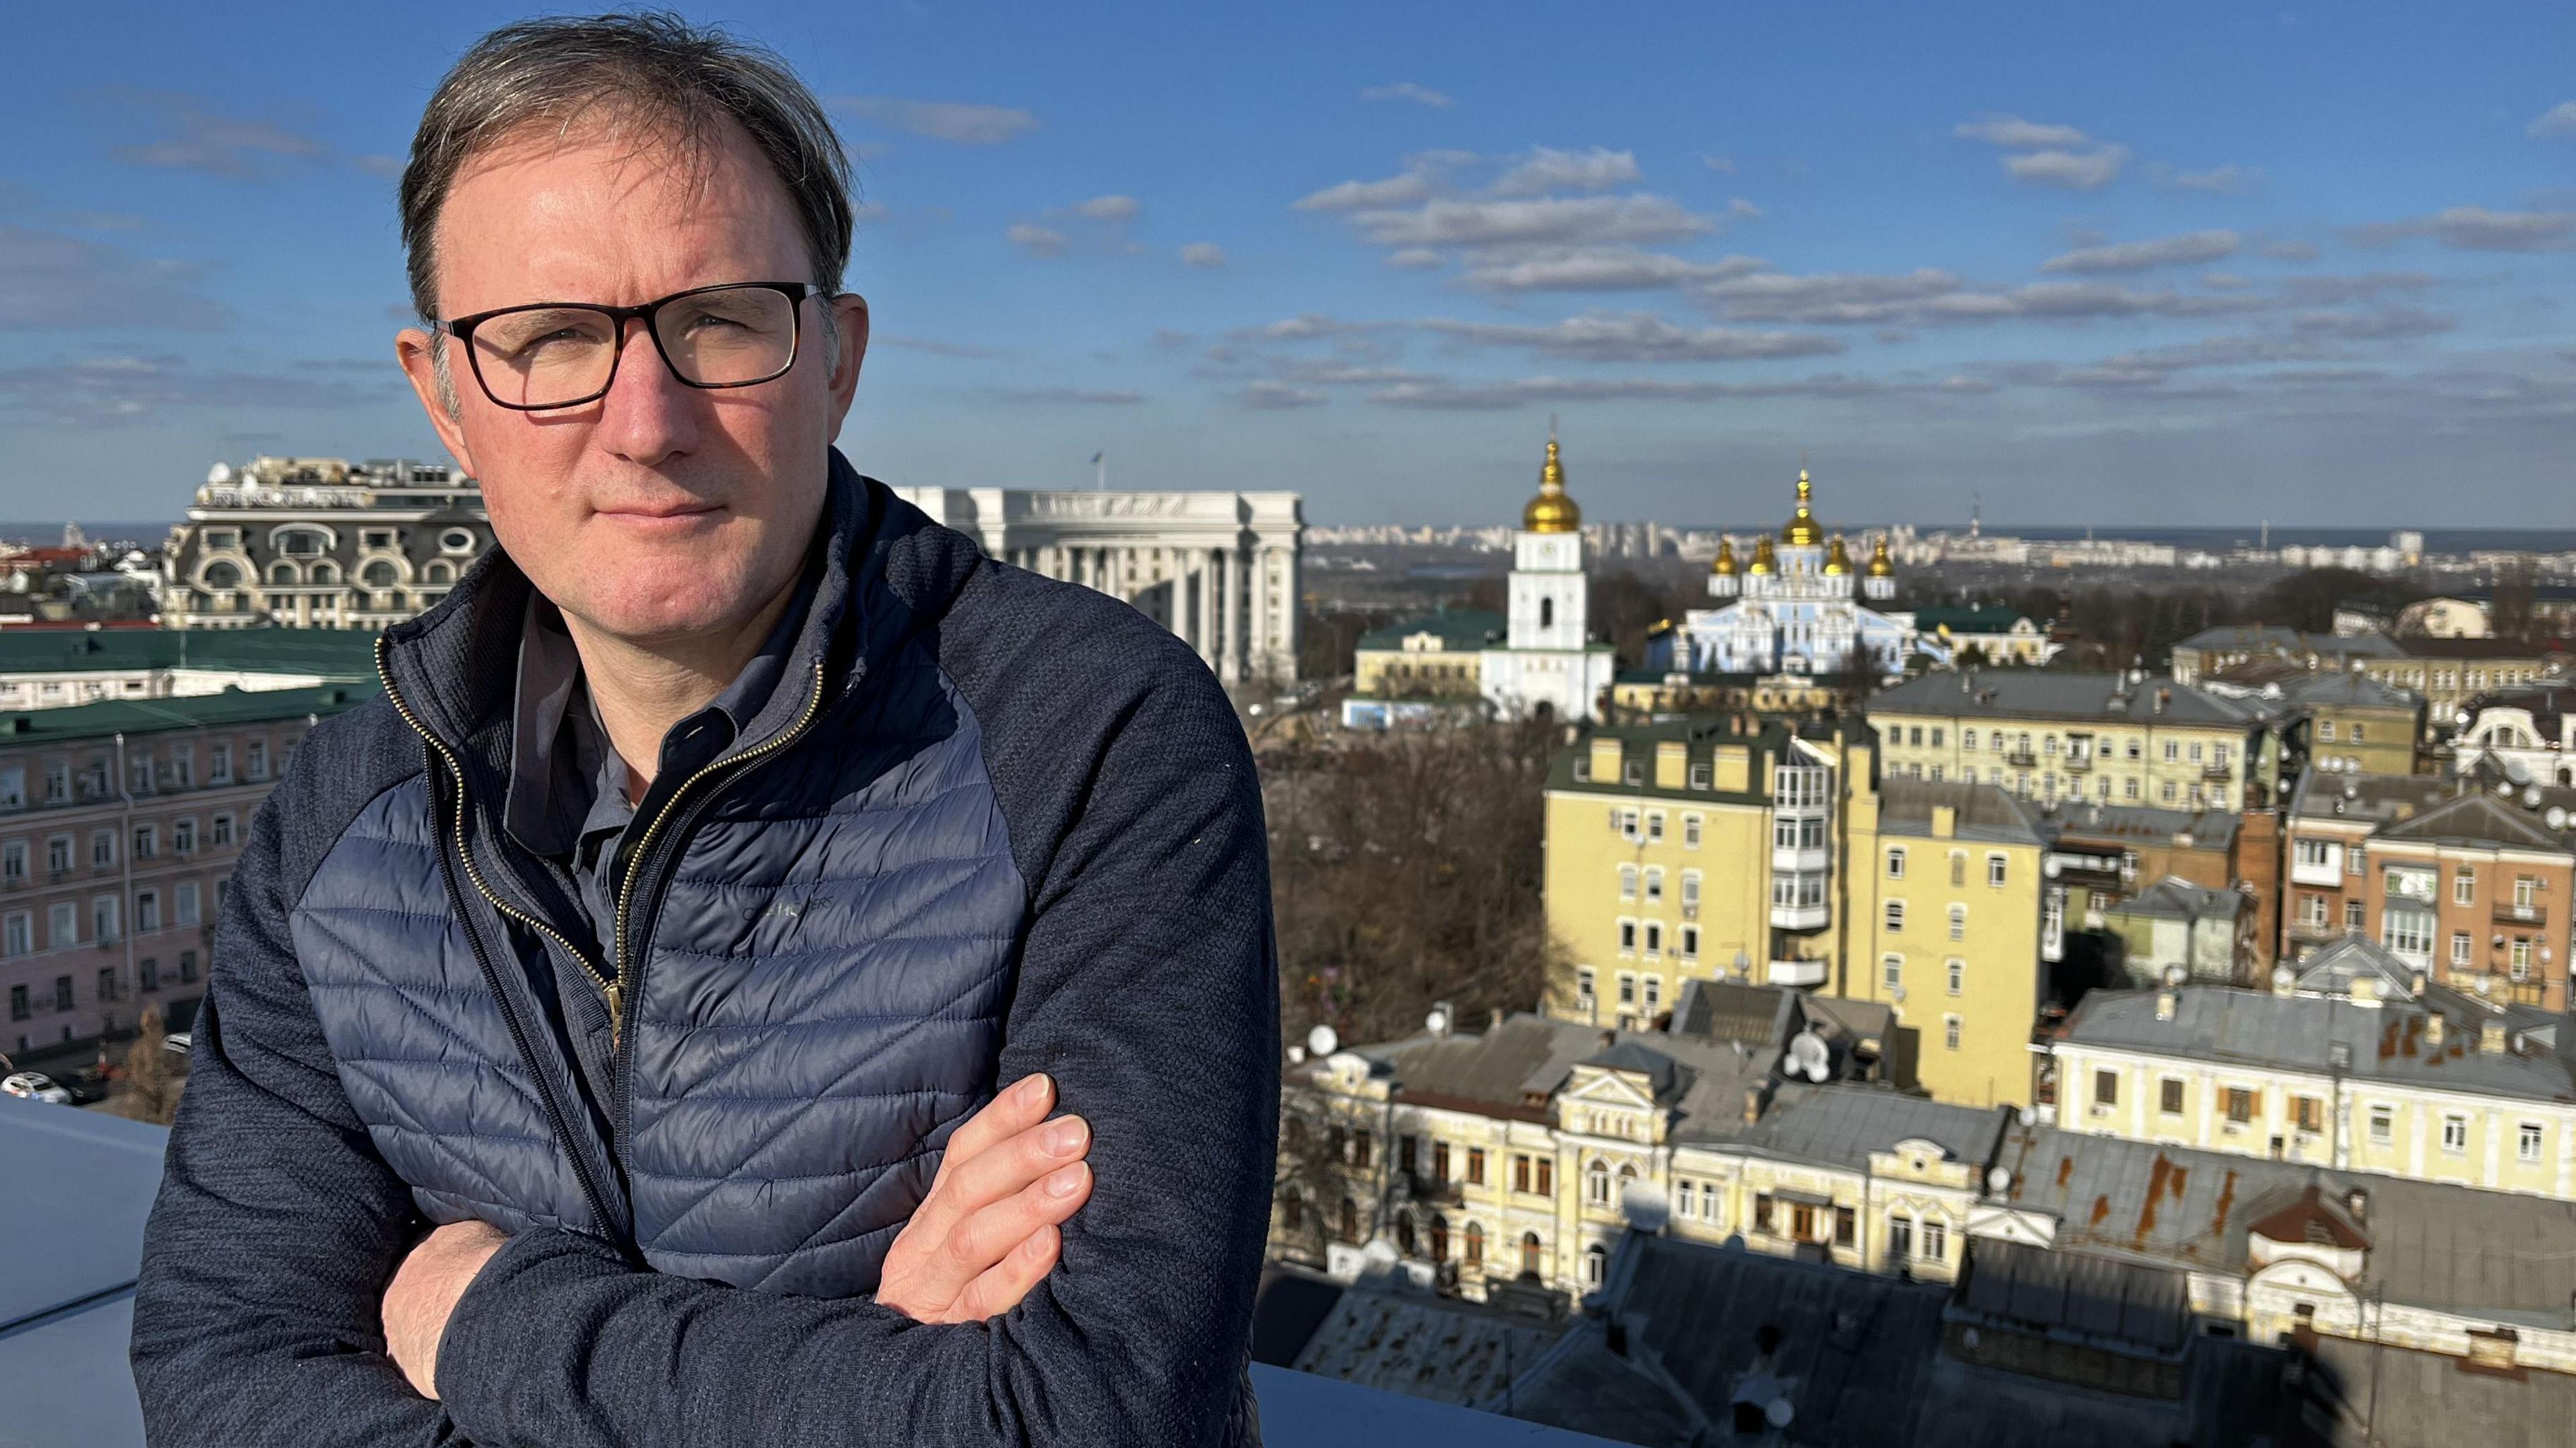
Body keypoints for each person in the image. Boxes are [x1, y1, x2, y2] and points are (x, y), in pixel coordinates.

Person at [128, 14, 1277, 1446]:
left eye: (720, 323)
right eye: (547, 340)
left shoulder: (1089, 739)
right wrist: (857, 1368)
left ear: (838, 357)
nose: (646, 419)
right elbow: (223, 1375)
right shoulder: (349, 809)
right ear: (442, 399)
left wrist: (490, 1318)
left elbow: (1087, 1419)